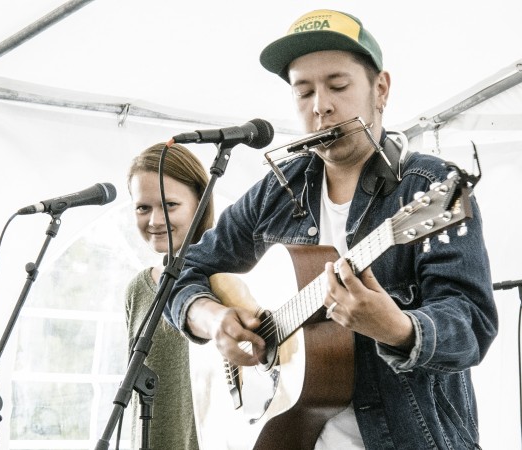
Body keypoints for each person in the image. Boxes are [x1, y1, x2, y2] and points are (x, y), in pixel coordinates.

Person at [165, 9, 498, 450]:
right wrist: (215, 320)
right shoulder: (275, 193)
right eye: (304, 92)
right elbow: (181, 273)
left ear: (380, 89)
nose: (321, 105)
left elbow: (471, 323)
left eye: (338, 86)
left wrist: (398, 328)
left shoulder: (428, 189)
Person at [125, 142, 214, 450]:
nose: (154, 221)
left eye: (169, 205)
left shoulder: (228, 281)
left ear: (200, 202)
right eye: (143, 207)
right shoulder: (138, 288)